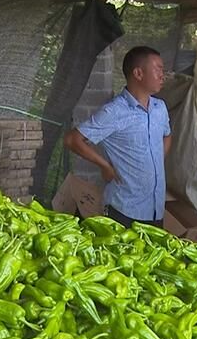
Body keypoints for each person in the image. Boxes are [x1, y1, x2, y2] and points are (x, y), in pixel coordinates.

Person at [65, 46, 172, 228]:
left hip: (155, 209)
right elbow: (72, 140)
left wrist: (155, 160)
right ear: (138, 73)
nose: (163, 75)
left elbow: (167, 136)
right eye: (158, 69)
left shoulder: (159, 108)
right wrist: (105, 166)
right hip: (124, 211)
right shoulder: (114, 111)